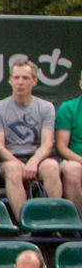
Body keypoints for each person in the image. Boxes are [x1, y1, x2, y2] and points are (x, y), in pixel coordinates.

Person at [0, 56, 60, 222]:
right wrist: (22, 166)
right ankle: (26, 223)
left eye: (25, 78)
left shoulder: (46, 107)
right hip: (6, 161)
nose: (20, 82)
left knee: (51, 166)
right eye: (16, 78)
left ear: (34, 81)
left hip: (36, 158)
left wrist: (33, 163)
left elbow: (47, 144)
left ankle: (52, 222)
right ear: (10, 80)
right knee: (14, 169)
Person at [48, 72, 82, 209]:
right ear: (81, 84)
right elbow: (61, 148)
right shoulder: (68, 108)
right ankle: (78, 223)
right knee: (71, 169)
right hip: (76, 161)